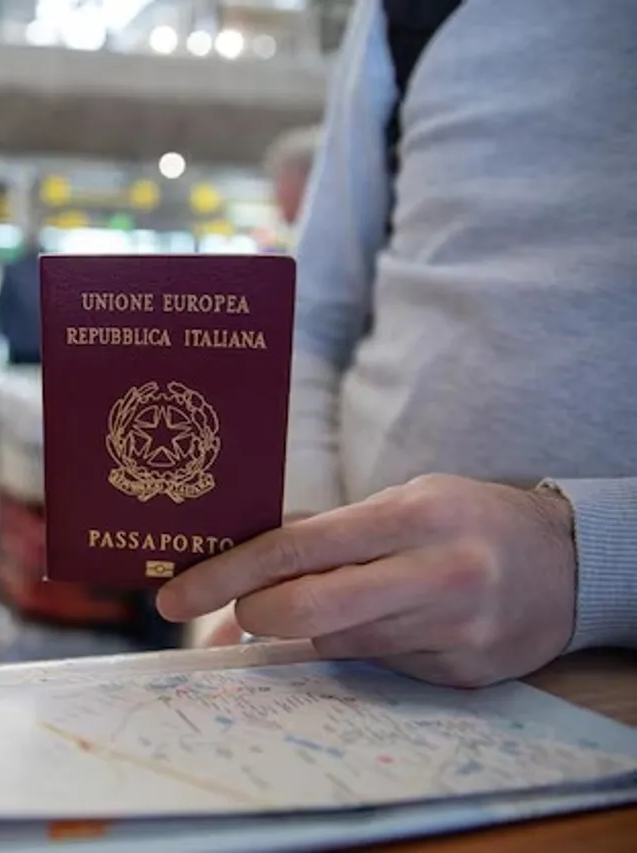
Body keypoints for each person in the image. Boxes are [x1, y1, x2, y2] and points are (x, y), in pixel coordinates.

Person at [157, 0, 637, 688]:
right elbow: (310, 315)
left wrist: (590, 558)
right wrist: (303, 539)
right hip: (361, 643)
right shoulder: (406, 12)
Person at [0, 239, 42, 367]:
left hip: (31, 343)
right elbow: (3, 307)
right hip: (21, 344)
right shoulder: (13, 270)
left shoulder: (51, 271)